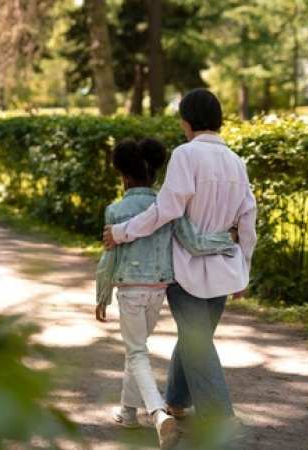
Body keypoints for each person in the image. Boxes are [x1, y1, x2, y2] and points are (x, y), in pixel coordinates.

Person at [103, 88, 257, 444]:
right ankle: (176, 400)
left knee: (196, 339)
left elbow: (165, 210)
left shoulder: (186, 155)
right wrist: (244, 266)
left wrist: (122, 232)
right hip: (224, 266)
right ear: (218, 119)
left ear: (185, 122)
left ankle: (221, 417)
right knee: (196, 336)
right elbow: (248, 221)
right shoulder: (237, 161)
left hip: (186, 268)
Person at [95, 137, 236, 450]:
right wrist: (228, 241)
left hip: (130, 290)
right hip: (159, 290)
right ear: (156, 176)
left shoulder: (115, 210)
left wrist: (102, 295)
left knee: (136, 352)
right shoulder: (169, 207)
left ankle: (158, 414)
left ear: (125, 177)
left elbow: (109, 259)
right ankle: (128, 412)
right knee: (138, 348)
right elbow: (195, 243)